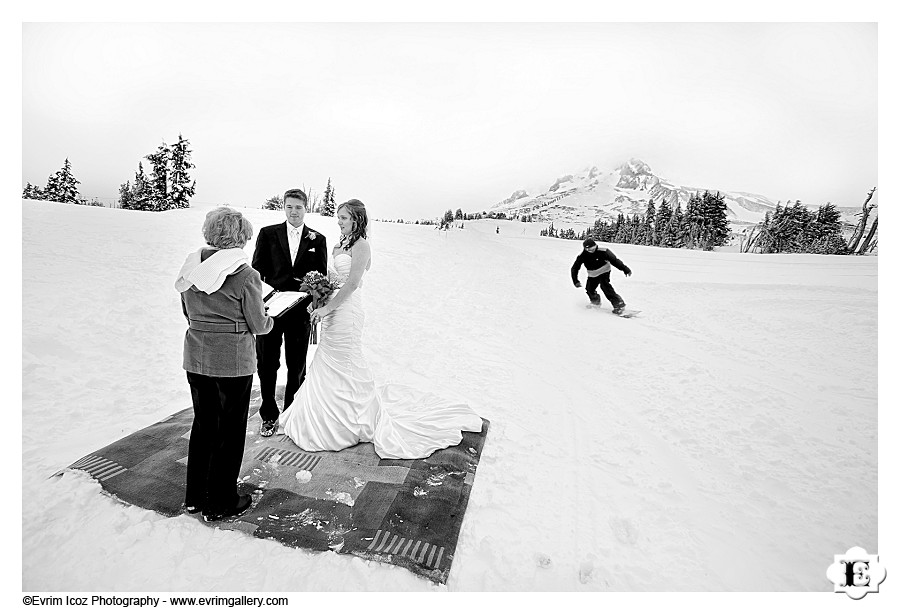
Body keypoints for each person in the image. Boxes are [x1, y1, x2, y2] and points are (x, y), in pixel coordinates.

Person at [278, 199, 483, 459]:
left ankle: (352, 420)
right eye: (338, 217)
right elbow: (335, 278)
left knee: (345, 359)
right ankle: (326, 417)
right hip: (331, 308)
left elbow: (352, 284)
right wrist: (317, 288)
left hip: (347, 310)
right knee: (327, 360)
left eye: (343, 217)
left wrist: (327, 308)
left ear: (356, 220)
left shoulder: (362, 246)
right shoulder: (339, 244)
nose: (338, 221)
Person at [175, 206, 274, 521]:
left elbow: (188, 314)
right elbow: (258, 325)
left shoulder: (190, 269)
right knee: (230, 433)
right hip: (231, 361)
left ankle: (195, 497)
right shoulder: (246, 275)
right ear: (240, 237)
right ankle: (220, 502)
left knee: (204, 426)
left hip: (196, 355)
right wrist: (270, 317)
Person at [252, 189, 328, 437]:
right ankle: (269, 415)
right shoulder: (268, 234)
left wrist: (315, 303)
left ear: (306, 209)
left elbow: (322, 277)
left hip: (300, 313)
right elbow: (256, 274)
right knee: (267, 363)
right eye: (289, 207)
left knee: (296, 365)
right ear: (283, 208)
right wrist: (263, 301)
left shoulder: (318, 240)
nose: (294, 212)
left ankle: (292, 413)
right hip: (271, 312)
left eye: (298, 207)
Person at [571, 238, 632, 313]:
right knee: (589, 289)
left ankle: (619, 305)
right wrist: (575, 281)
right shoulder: (582, 256)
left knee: (605, 286)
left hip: (604, 271)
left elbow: (615, 261)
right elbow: (575, 268)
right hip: (593, 274)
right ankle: (595, 302)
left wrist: (625, 269)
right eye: (588, 249)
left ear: (596, 245)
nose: (591, 250)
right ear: (585, 249)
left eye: (592, 248)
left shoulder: (604, 251)